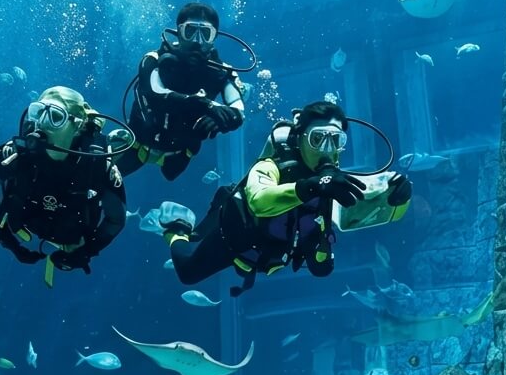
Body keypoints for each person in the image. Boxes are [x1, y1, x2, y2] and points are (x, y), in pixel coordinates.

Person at [158, 100, 412, 296]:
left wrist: (398, 199)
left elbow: (359, 206)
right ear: (300, 138)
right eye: (317, 138)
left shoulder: (333, 182)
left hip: (270, 252)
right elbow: (259, 200)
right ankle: (177, 229)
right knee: (187, 272)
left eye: (335, 140)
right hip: (231, 235)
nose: (326, 149)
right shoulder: (271, 166)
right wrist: (312, 185)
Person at [0, 86, 127, 277]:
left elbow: (116, 219)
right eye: (38, 112)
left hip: (72, 239)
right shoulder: (15, 154)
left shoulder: (96, 163)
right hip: (23, 228)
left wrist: (86, 252)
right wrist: (5, 237)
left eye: (55, 117)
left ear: (77, 126)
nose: (42, 125)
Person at [116, 3, 245, 181]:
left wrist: (225, 119)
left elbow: (238, 108)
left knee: (170, 175)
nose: (197, 41)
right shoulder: (154, 59)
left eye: (206, 33)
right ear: (178, 31)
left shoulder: (223, 72)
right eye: (190, 31)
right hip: (138, 143)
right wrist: (206, 105)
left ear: (214, 37)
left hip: (181, 150)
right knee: (105, 179)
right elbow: (155, 94)